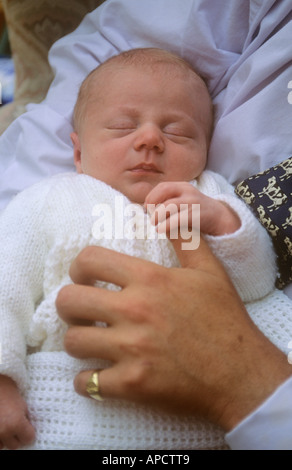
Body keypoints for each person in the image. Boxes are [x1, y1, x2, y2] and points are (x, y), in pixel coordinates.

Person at [0, 0, 291, 450]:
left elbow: (256, 284)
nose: (150, 139)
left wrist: (228, 226)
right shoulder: (50, 198)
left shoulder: (209, 193)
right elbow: (5, 288)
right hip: (71, 407)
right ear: (77, 154)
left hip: (220, 417)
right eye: (122, 127)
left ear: (206, 149)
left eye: (177, 132)